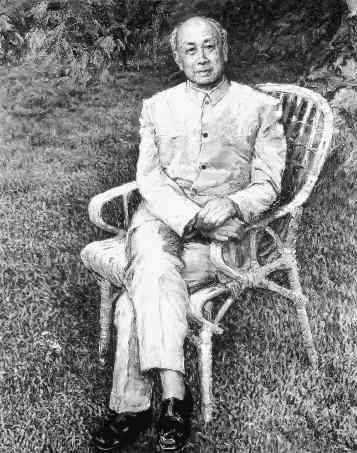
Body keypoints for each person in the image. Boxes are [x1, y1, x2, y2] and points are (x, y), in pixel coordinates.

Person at [92, 15, 286, 452]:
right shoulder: (157, 106)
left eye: (209, 47)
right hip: (160, 222)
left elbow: (269, 184)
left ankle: (131, 408)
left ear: (224, 49)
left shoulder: (259, 106)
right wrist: (192, 217)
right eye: (190, 50)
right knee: (154, 262)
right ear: (178, 58)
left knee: (135, 297)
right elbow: (150, 179)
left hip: (222, 239)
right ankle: (176, 397)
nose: (201, 58)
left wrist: (233, 204)